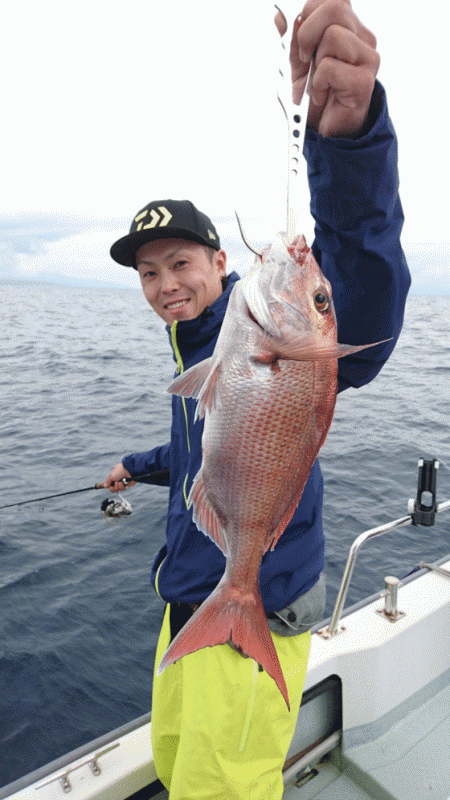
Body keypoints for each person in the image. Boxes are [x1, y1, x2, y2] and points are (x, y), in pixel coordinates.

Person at [102, 1, 411, 797]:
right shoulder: (206, 350)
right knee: (178, 766)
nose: (166, 284)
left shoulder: (276, 336)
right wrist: (135, 467)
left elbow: (362, 305)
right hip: (191, 598)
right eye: (148, 273)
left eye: (179, 263)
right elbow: (200, 453)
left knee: (225, 788)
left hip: (252, 614)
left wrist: (348, 144)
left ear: (217, 260)